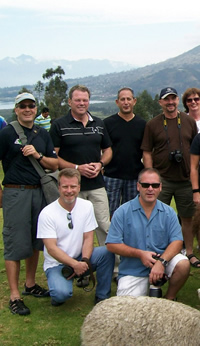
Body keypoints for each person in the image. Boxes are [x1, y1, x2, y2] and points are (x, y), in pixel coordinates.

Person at [0, 92, 58, 315]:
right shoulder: (6, 134)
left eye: (31, 105)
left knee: (36, 240)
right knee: (15, 243)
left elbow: (54, 164)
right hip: (15, 192)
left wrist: (38, 155)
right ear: (16, 109)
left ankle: (30, 284)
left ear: (35, 109)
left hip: (39, 193)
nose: (27, 109)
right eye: (22, 106)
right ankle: (14, 296)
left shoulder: (42, 133)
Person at [106, 168, 190, 299]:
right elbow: (111, 244)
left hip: (162, 263)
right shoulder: (122, 212)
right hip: (133, 270)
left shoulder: (169, 212)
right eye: (145, 185)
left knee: (183, 264)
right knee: (127, 310)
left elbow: (177, 241)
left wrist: (161, 262)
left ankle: (169, 299)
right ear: (138, 186)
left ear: (160, 187)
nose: (150, 189)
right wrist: (140, 254)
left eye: (155, 185)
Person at [37, 168, 115, 306]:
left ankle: (102, 297)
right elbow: (51, 248)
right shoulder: (47, 213)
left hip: (80, 257)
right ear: (58, 187)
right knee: (61, 295)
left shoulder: (87, 206)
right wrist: (74, 265)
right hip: (57, 263)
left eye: (73, 186)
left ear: (79, 187)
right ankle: (58, 290)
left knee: (107, 251)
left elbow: (88, 238)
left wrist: (84, 261)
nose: (69, 191)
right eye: (65, 186)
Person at [141, 87, 200, 268]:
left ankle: (189, 251)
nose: (170, 102)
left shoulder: (189, 121)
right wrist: (151, 177)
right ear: (160, 102)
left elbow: (196, 150)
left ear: (177, 101)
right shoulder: (153, 124)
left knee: (187, 217)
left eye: (173, 98)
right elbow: (147, 152)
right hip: (162, 180)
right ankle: (159, 251)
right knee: (157, 216)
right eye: (166, 99)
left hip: (185, 179)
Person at [50, 85, 113, 246]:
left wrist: (100, 164)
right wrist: (77, 168)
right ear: (70, 102)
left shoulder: (98, 123)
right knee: (74, 230)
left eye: (85, 100)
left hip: (97, 185)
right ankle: (77, 267)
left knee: (105, 226)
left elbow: (108, 150)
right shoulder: (59, 125)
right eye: (77, 100)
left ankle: (113, 269)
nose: (81, 103)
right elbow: (53, 156)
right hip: (71, 188)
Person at [103, 87, 146, 217]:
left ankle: (130, 238)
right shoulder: (108, 123)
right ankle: (112, 237)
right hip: (112, 175)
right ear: (117, 102)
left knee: (132, 214)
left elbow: (146, 151)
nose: (126, 102)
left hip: (134, 176)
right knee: (110, 213)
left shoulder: (142, 124)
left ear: (134, 101)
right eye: (122, 99)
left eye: (129, 99)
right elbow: (103, 149)